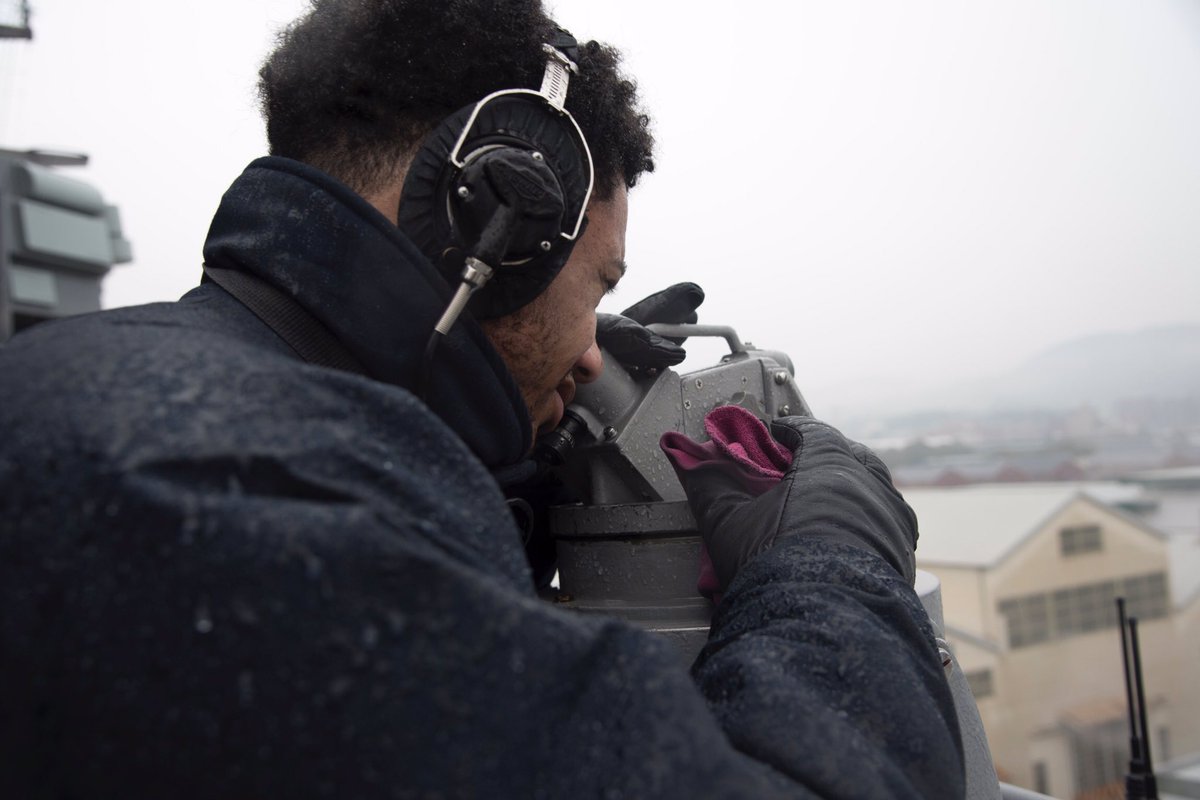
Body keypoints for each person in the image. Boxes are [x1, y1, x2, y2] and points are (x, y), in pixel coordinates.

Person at [0, 1, 965, 797]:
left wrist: (520, 471)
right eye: (596, 285)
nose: (592, 353)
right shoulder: (244, 511)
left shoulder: (149, 388)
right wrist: (831, 562)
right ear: (492, 223)